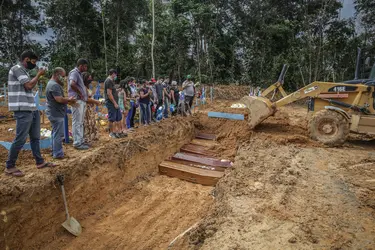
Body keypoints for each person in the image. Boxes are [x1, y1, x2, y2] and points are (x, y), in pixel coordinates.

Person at [4, 50, 56, 177]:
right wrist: (38, 75)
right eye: (33, 61)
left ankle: (39, 161)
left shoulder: (24, 72)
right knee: (20, 139)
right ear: (26, 59)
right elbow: (28, 85)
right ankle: (9, 166)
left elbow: (29, 87)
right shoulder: (16, 69)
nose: (34, 64)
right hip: (22, 109)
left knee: (35, 138)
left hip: (31, 109)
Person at [46, 67, 76, 159]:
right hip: (56, 113)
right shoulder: (54, 85)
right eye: (63, 76)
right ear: (57, 75)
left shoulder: (50, 84)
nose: (64, 78)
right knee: (58, 134)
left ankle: (53, 150)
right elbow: (59, 99)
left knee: (55, 133)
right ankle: (58, 154)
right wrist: (69, 99)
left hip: (53, 112)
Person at [68, 58, 89, 150]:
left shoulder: (79, 74)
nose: (86, 68)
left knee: (80, 122)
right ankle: (77, 143)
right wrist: (80, 93)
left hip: (80, 100)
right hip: (77, 100)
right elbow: (72, 84)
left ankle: (80, 140)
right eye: (85, 66)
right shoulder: (74, 73)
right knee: (77, 122)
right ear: (81, 65)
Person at [82, 72, 103, 144]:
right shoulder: (83, 88)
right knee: (87, 123)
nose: (90, 80)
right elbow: (86, 99)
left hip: (91, 107)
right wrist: (95, 101)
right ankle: (87, 139)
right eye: (89, 78)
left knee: (91, 122)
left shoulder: (87, 87)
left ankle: (92, 137)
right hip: (86, 107)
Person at [104, 69, 125, 138]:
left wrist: (117, 90)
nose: (116, 76)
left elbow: (112, 91)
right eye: (115, 74)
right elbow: (109, 93)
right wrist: (114, 103)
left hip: (115, 102)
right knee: (112, 118)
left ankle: (118, 132)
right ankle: (111, 133)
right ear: (113, 74)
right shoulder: (108, 81)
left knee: (118, 117)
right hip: (111, 103)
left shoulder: (111, 81)